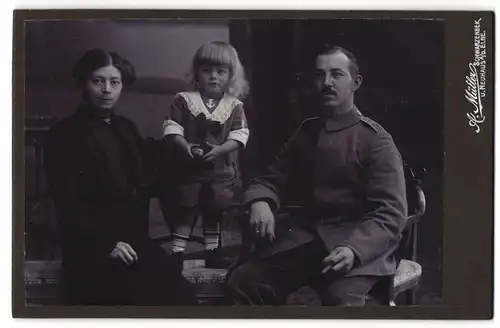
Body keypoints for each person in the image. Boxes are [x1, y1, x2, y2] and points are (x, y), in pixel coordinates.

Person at [226, 44, 408, 306]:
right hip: (306, 242)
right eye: (320, 75)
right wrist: (260, 201)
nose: (327, 83)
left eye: (336, 74)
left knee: (340, 301)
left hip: (356, 248)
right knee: (244, 282)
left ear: (355, 82)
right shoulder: (307, 133)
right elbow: (272, 178)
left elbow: (391, 211)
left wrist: (353, 250)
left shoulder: (376, 141)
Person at [43, 48, 196, 305]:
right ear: (83, 84)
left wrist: (188, 146)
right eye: (98, 81)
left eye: (114, 82)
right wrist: (106, 245)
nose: (106, 90)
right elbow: (67, 204)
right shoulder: (64, 134)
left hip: (133, 243)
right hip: (91, 249)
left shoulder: (125, 128)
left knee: (179, 294)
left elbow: (149, 166)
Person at [162, 41, 250, 270]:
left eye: (221, 71)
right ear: (196, 73)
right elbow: (172, 128)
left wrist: (220, 150)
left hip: (219, 173)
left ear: (231, 76)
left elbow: (240, 135)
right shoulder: (184, 100)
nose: (213, 76)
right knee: (187, 214)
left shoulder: (234, 105)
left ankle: (212, 252)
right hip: (189, 171)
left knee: (213, 213)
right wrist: (187, 147)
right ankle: (177, 253)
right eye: (207, 70)